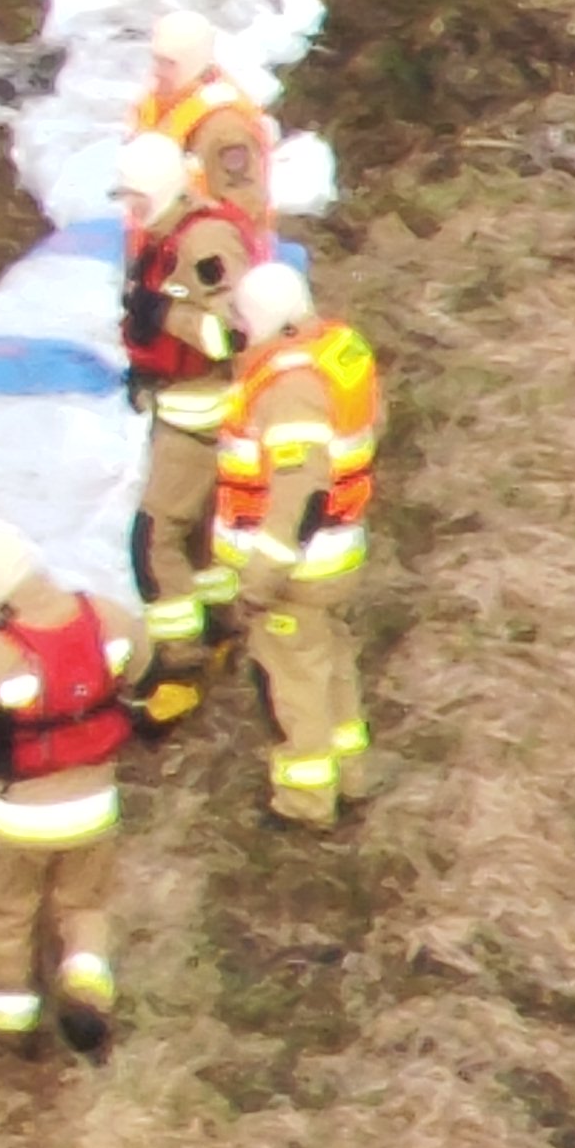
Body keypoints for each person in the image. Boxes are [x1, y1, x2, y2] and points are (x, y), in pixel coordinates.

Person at [0, 520, 139, 1053]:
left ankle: (14, 1023)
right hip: (93, 806)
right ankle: (86, 991)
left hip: (15, 815)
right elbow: (147, 668)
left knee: (7, 913)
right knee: (84, 906)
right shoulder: (107, 619)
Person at [213, 260, 380, 827]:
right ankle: (351, 776)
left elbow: (298, 493)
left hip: (296, 573)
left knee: (295, 686)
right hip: (336, 555)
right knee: (331, 666)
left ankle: (305, 803)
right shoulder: (337, 352)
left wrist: (259, 580)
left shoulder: (287, 390)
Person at [112, 127, 270, 719]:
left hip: (202, 416)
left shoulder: (204, 242)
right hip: (182, 405)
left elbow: (235, 332)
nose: (130, 211)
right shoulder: (167, 234)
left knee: (154, 538)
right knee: (203, 538)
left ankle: (180, 664)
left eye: (135, 198)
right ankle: (223, 628)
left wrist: (165, 316)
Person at [132, 8, 275, 215]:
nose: (157, 71)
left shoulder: (227, 130)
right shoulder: (160, 100)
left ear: (193, 64)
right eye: (156, 60)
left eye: (168, 63)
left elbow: (245, 209)